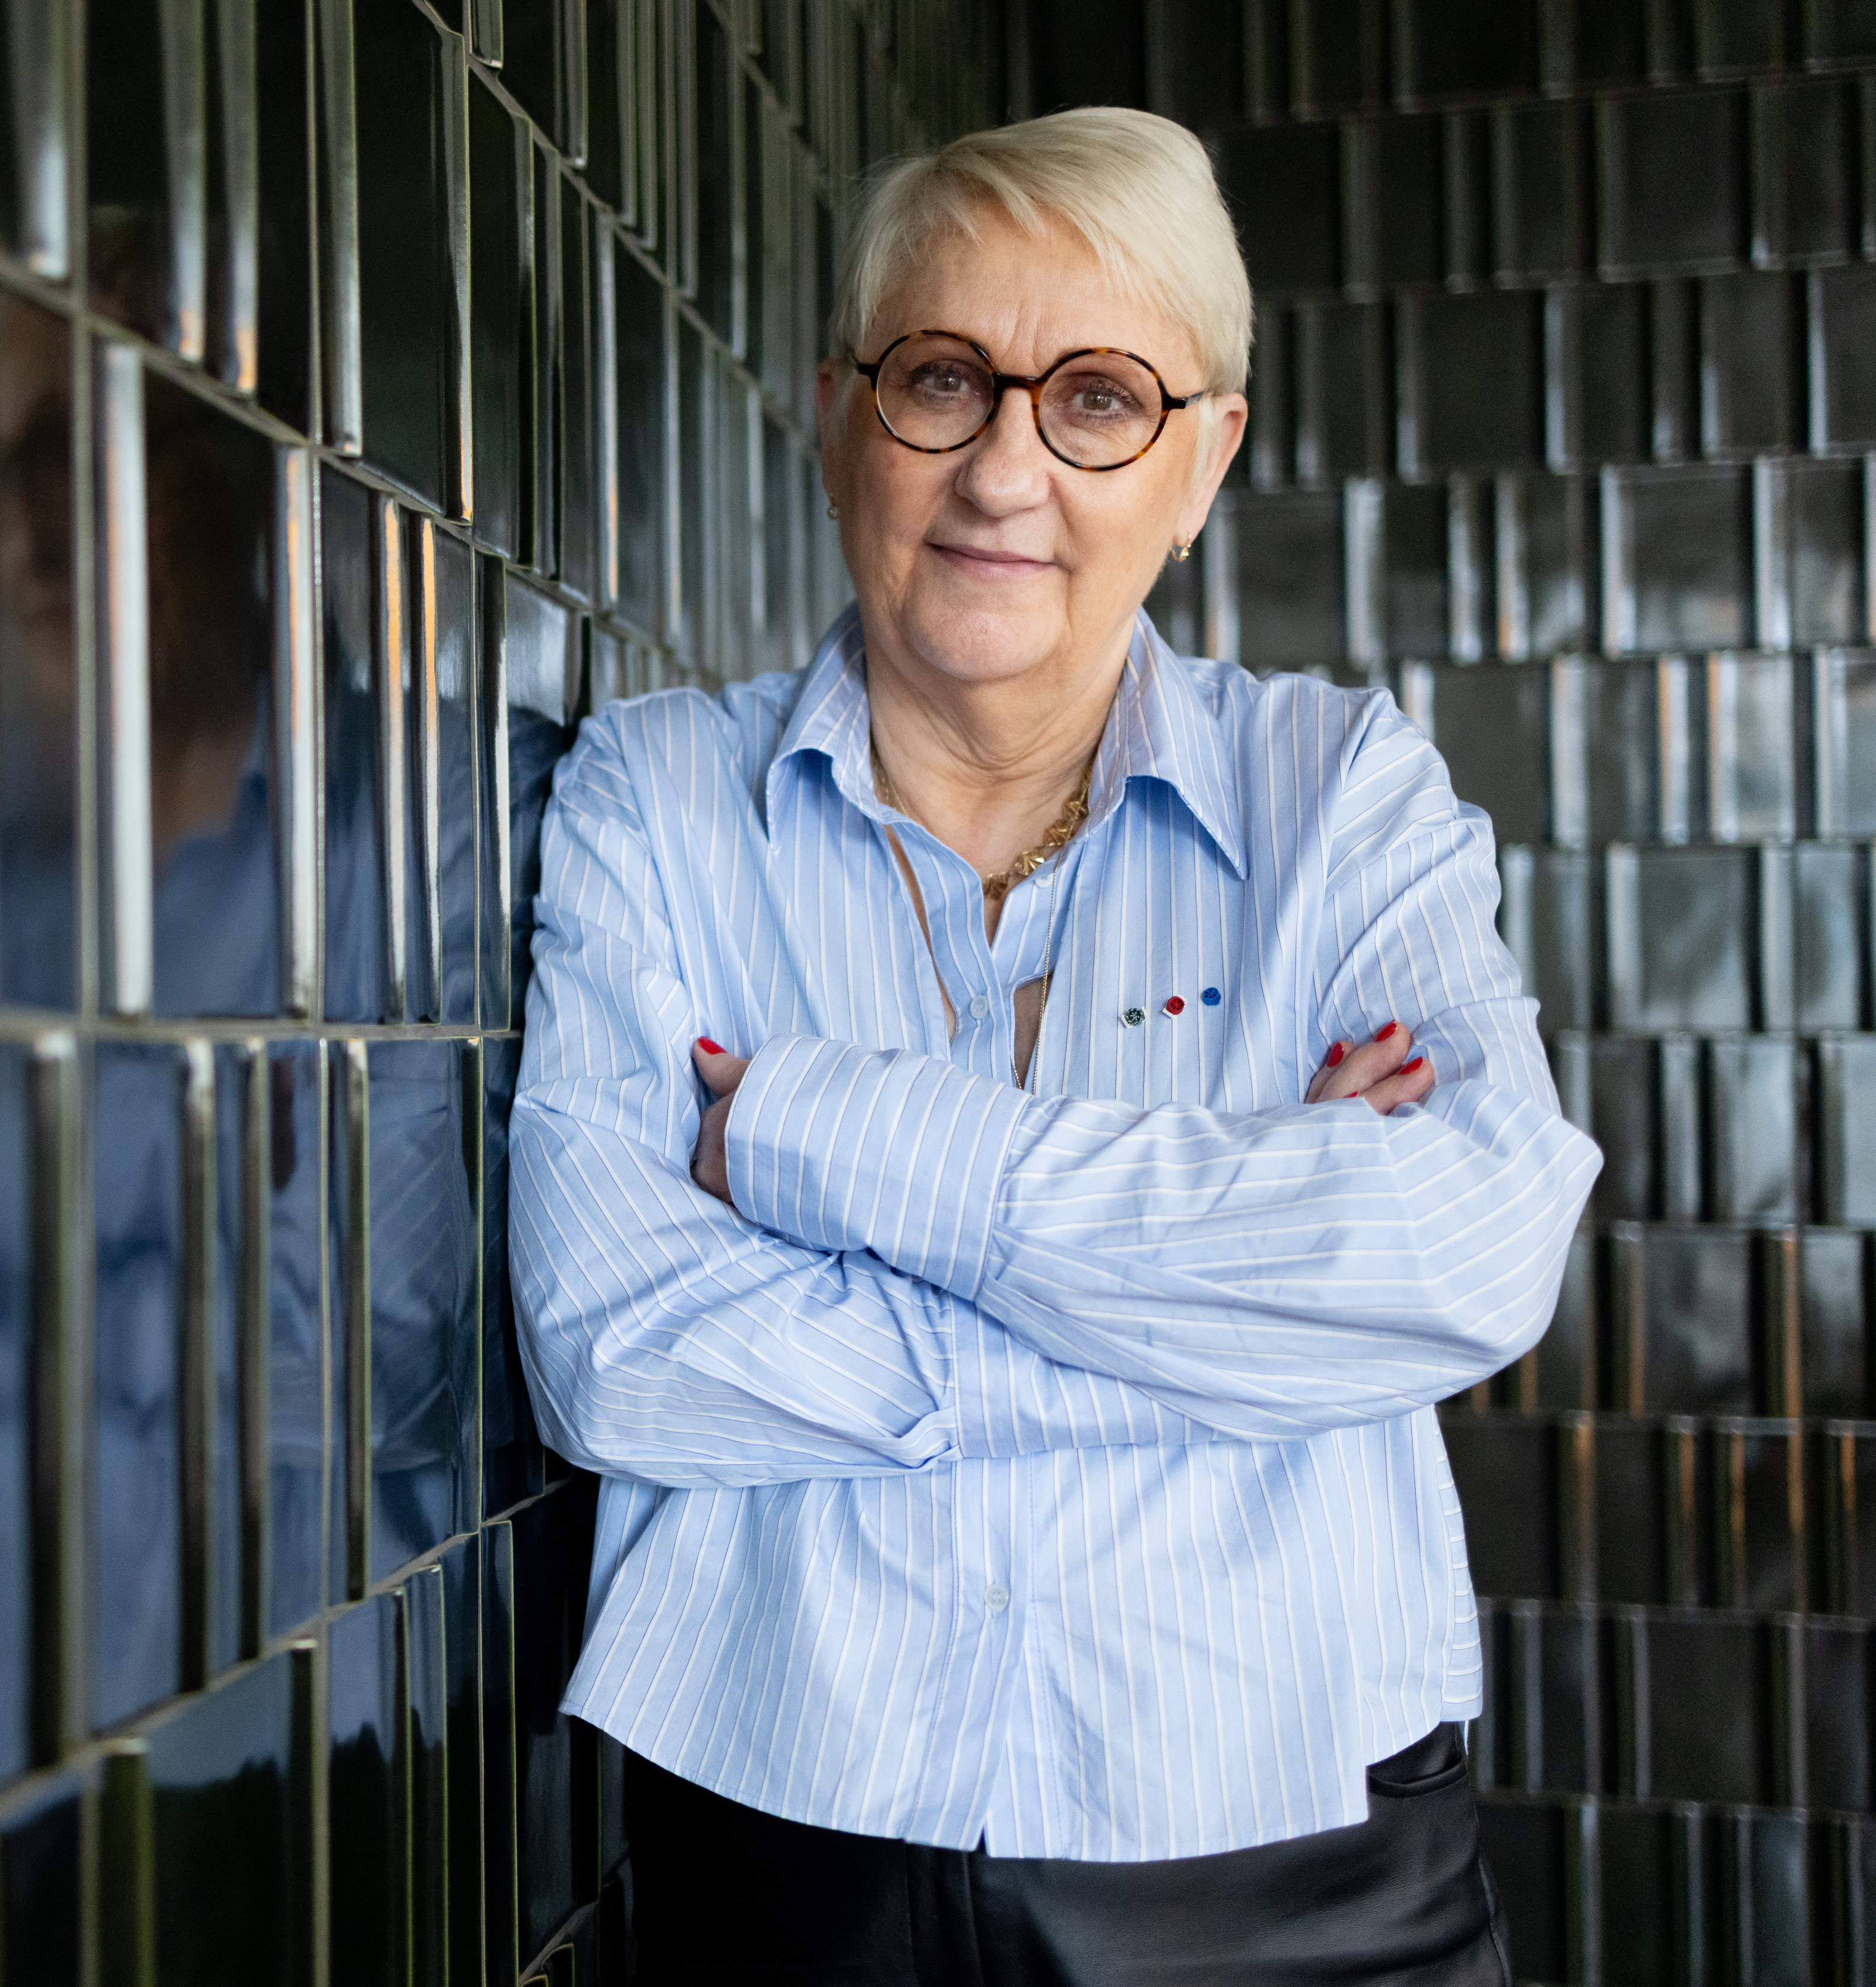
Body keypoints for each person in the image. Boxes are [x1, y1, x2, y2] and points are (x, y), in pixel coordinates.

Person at [506, 105, 1600, 1985]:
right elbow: (622, 1360)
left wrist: (833, 1142)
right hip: (782, 1871)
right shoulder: (654, 795)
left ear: (1200, 463)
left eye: (1098, 400)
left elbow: (1470, 1248)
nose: (1008, 469)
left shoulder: (1343, 795)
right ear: (843, 409)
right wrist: (1236, 1320)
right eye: (945, 378)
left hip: (1305, 1887)